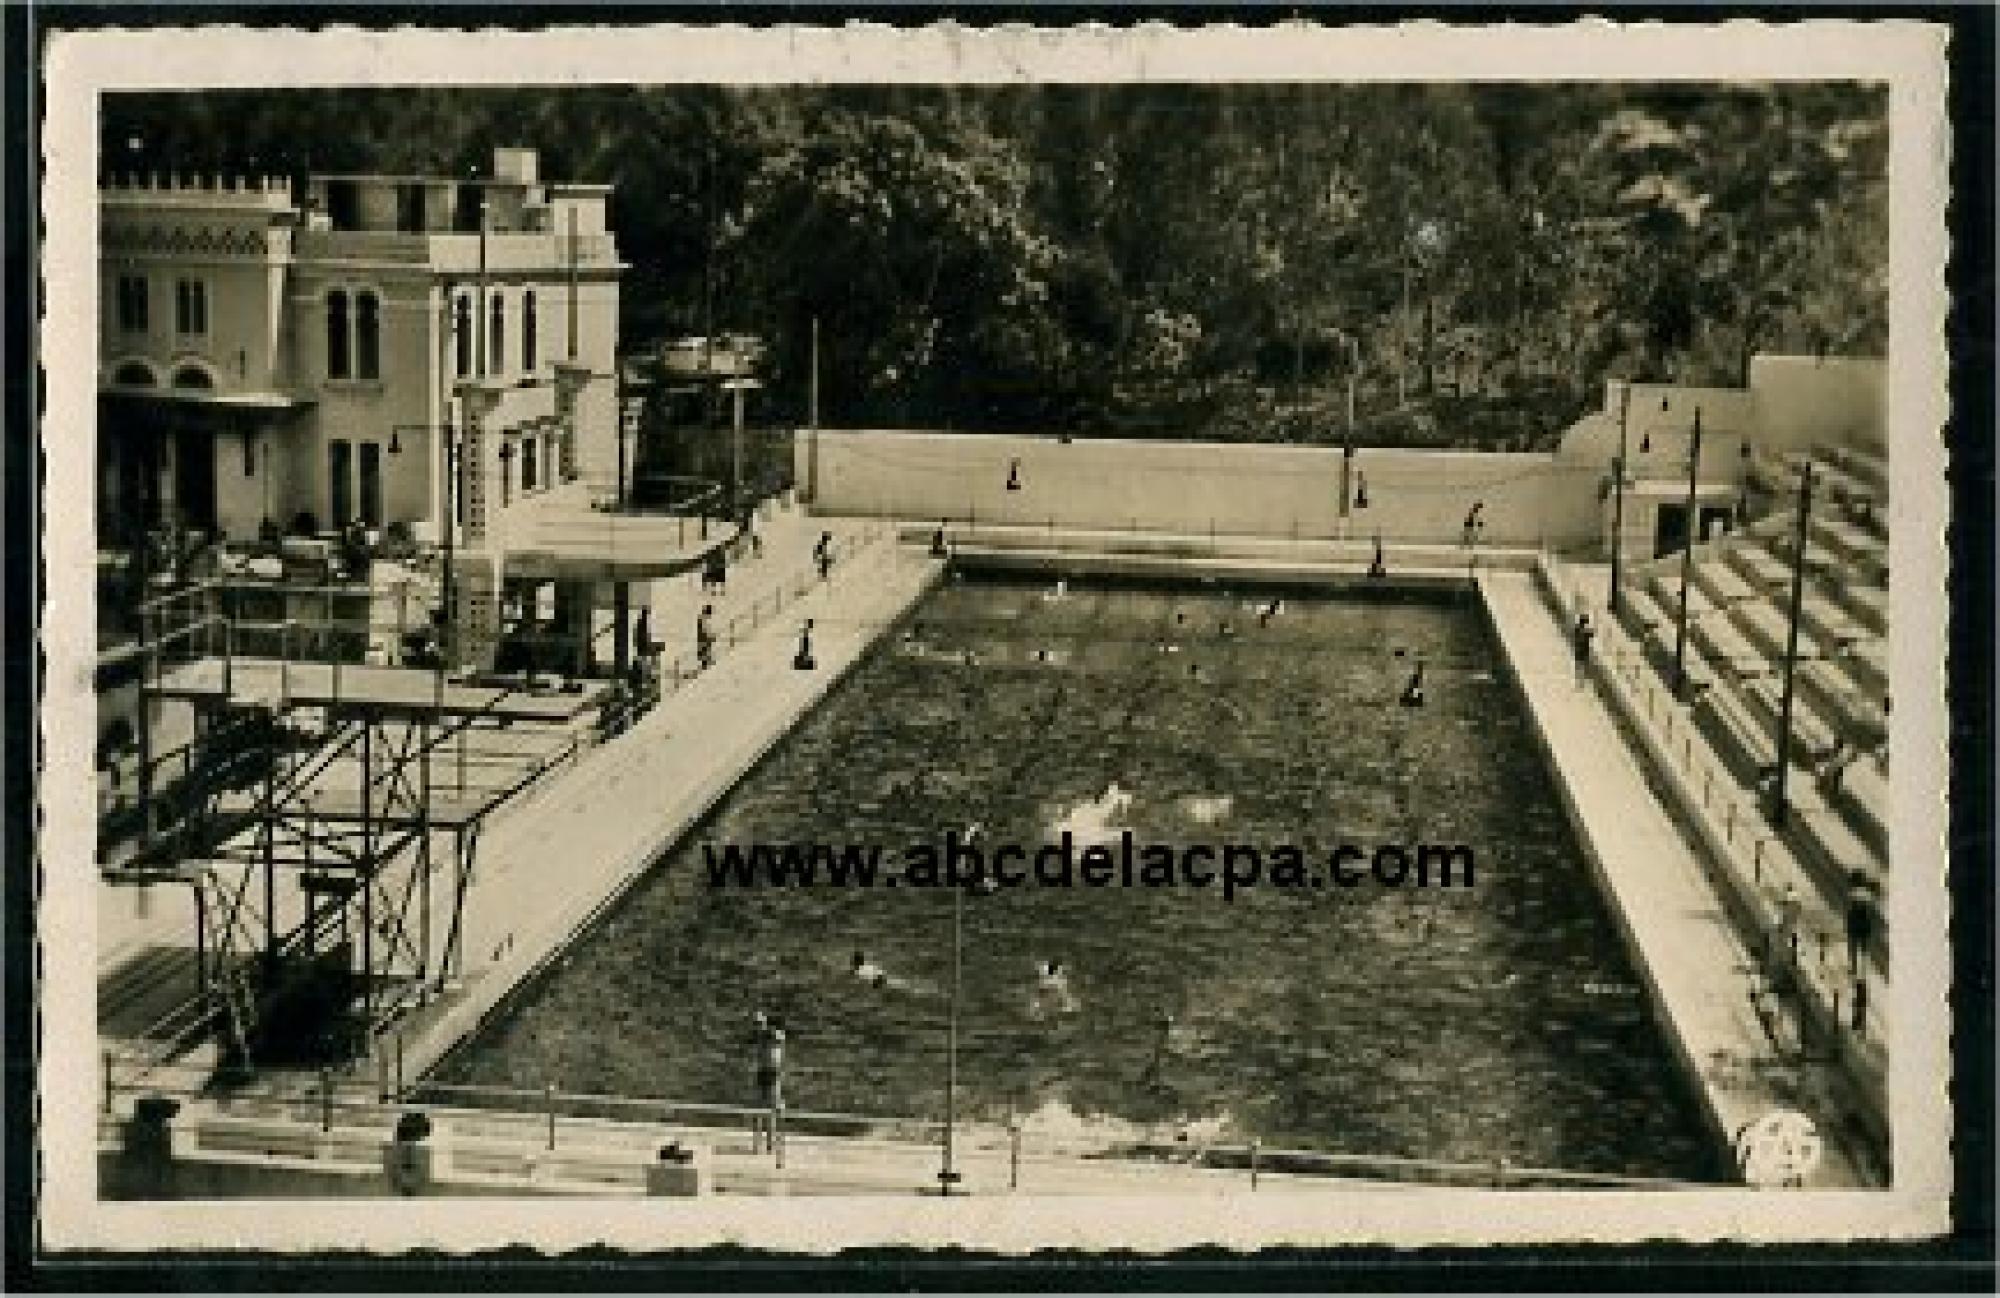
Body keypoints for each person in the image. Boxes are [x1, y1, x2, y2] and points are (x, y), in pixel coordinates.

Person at [1845, 876, 1876, 976]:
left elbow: (1850, 908)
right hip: (1864, 922)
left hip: (1855, 922)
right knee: (1863, 948)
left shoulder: (1852, 893)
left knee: (1853, 947)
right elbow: (1871, 910)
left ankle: (1853, 968)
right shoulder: (1868, 894)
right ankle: (1863, 970)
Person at [1571, 611, 1596, 687]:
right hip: (1583, 650)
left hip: (1579, 650)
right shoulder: (1583, 631)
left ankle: (1579, 681)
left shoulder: (1578, 629)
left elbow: (1590, 635)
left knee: (1579, 666)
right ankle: (1580, 682)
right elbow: (1590, 635)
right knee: (1581, 666)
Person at [695, 603, 716, 670]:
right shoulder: (703, 618)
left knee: (705, 649)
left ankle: (705, 662)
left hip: (702, 636)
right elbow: (704, 629)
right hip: (703, 637)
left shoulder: (701, 618)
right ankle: (705, 663)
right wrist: (710, 636)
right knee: (705, 649)